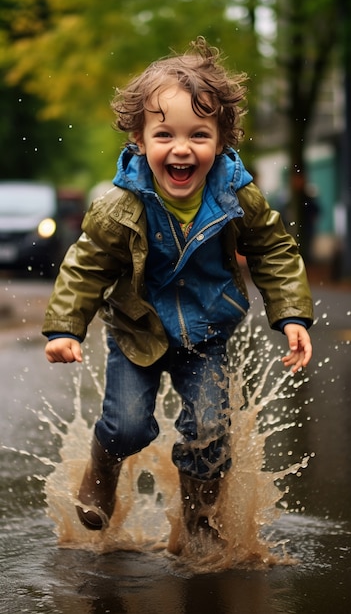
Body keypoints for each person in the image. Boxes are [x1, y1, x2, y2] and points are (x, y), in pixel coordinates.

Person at [42, 37, 313, 545]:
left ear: (222, 140)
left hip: (206, 333)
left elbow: (274, 248)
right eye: (164, 134)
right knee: (126, 426)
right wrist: (64, 327)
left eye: (199, 134)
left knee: (211, 433)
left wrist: (292, 315)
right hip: (138, 332)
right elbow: (85, 266)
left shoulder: (236, 195)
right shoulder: (120, 206)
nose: (182, 148)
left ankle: (199, 517)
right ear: (140, 142)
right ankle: (102, 468)